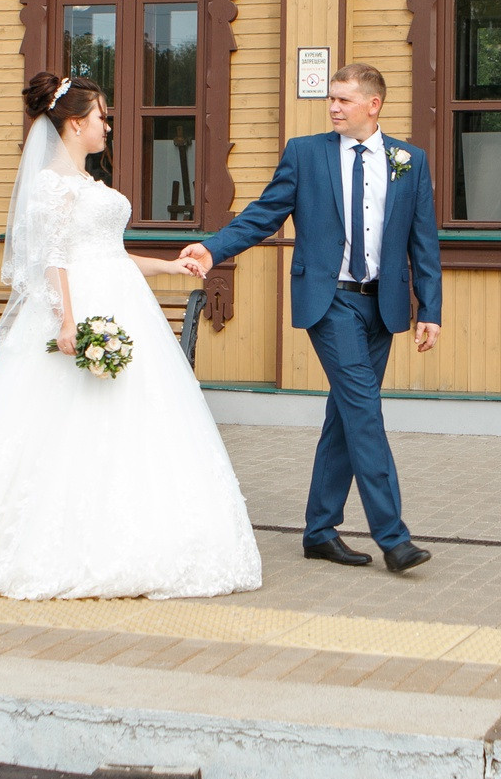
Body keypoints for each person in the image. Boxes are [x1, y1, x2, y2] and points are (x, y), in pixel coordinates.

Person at [0, 74, 262, 600]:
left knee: (131, 419)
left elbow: (106, 253)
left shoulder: (87, 185)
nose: (108, 125)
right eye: (102, 116)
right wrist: (66, 320)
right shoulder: (51, 184)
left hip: (120, 301)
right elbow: (52, 258)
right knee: (64, 421)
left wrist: (170, 267)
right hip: (80, 310)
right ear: (76, 123)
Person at [182, 63, 441, 574]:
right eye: (332, 99)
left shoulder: (409, 160)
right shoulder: (306, 153)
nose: (334, 107)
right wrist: (214, 250)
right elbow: (264, 213)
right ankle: (394, 538)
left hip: (384, 304)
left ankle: (320, 531)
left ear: (374, 105)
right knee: (365, 410)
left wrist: (429, 308)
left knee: (344, 417)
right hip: (331, 302)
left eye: (345, 100)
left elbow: (422, 239)